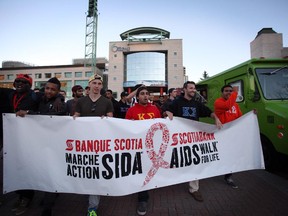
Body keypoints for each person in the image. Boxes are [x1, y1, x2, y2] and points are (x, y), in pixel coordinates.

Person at [16, 77, 66, 216]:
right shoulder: (39, 98)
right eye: (47, 88)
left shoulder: (60, 104)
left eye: (53, 89)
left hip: (54, 146)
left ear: (58, 91)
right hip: (40, 144)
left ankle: (47, 209)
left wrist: (31, 114)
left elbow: (49, 117)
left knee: (51, 174)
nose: (49, 91)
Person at [166, 81, 222, 202]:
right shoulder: (177, 102)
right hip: (180, 139)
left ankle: (194, 189)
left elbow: (208, 112)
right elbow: (166, 110)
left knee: (195, 162)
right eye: (191, 88)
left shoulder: (197, 104)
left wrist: (216, 118)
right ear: (184, 89)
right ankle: (173, 179)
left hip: (194, 138)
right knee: (179, 160)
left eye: (194, 88)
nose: (193, 90)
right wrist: (168, 112)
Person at [73, 74, 113, 216]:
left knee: (96, 171)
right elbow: (75, 117)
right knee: (86, 169)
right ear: (89, 85)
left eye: (99, 83)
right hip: (83, 142)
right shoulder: (81, 101)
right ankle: (88, 195)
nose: (97, 86)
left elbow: (111, 120)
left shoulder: (107, 102)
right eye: (94, 83)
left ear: (102, 86)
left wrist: (106, 119)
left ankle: (92, 207)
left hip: (100, 143)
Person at [6, 74, 40, 216]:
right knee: (14, 165)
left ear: (29, 85)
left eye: (23, 82)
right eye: (17, 81)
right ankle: (20, 195)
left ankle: (27, 198)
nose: (19, 83)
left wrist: (29, 112)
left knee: (27, 166)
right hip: (12, 138)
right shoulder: (9, 95)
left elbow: (43, 109)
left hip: (29, 138)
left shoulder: (34, 96)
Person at [125, 86, 161, 216]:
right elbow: (126, 130)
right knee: (142, 172)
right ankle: (143, 199)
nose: (145, 96)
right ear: (137, 96)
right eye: (142, 94)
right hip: (139, 148)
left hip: (153, 147)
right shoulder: (131, 110)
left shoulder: (155, 109)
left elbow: (160, 126)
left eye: (147, 94)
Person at [214, 84, 242, 189]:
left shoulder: (235, 105)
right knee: (222, 155)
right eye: (226, 91)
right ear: (222, 92)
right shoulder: (218, 102)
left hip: (232, 135)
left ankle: (228, 176)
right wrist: (235, 92)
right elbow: (227, 106)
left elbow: (240, 117)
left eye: (231, 91)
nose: (229, 93)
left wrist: (251, 115)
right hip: (222, 135)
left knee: (231, 156)